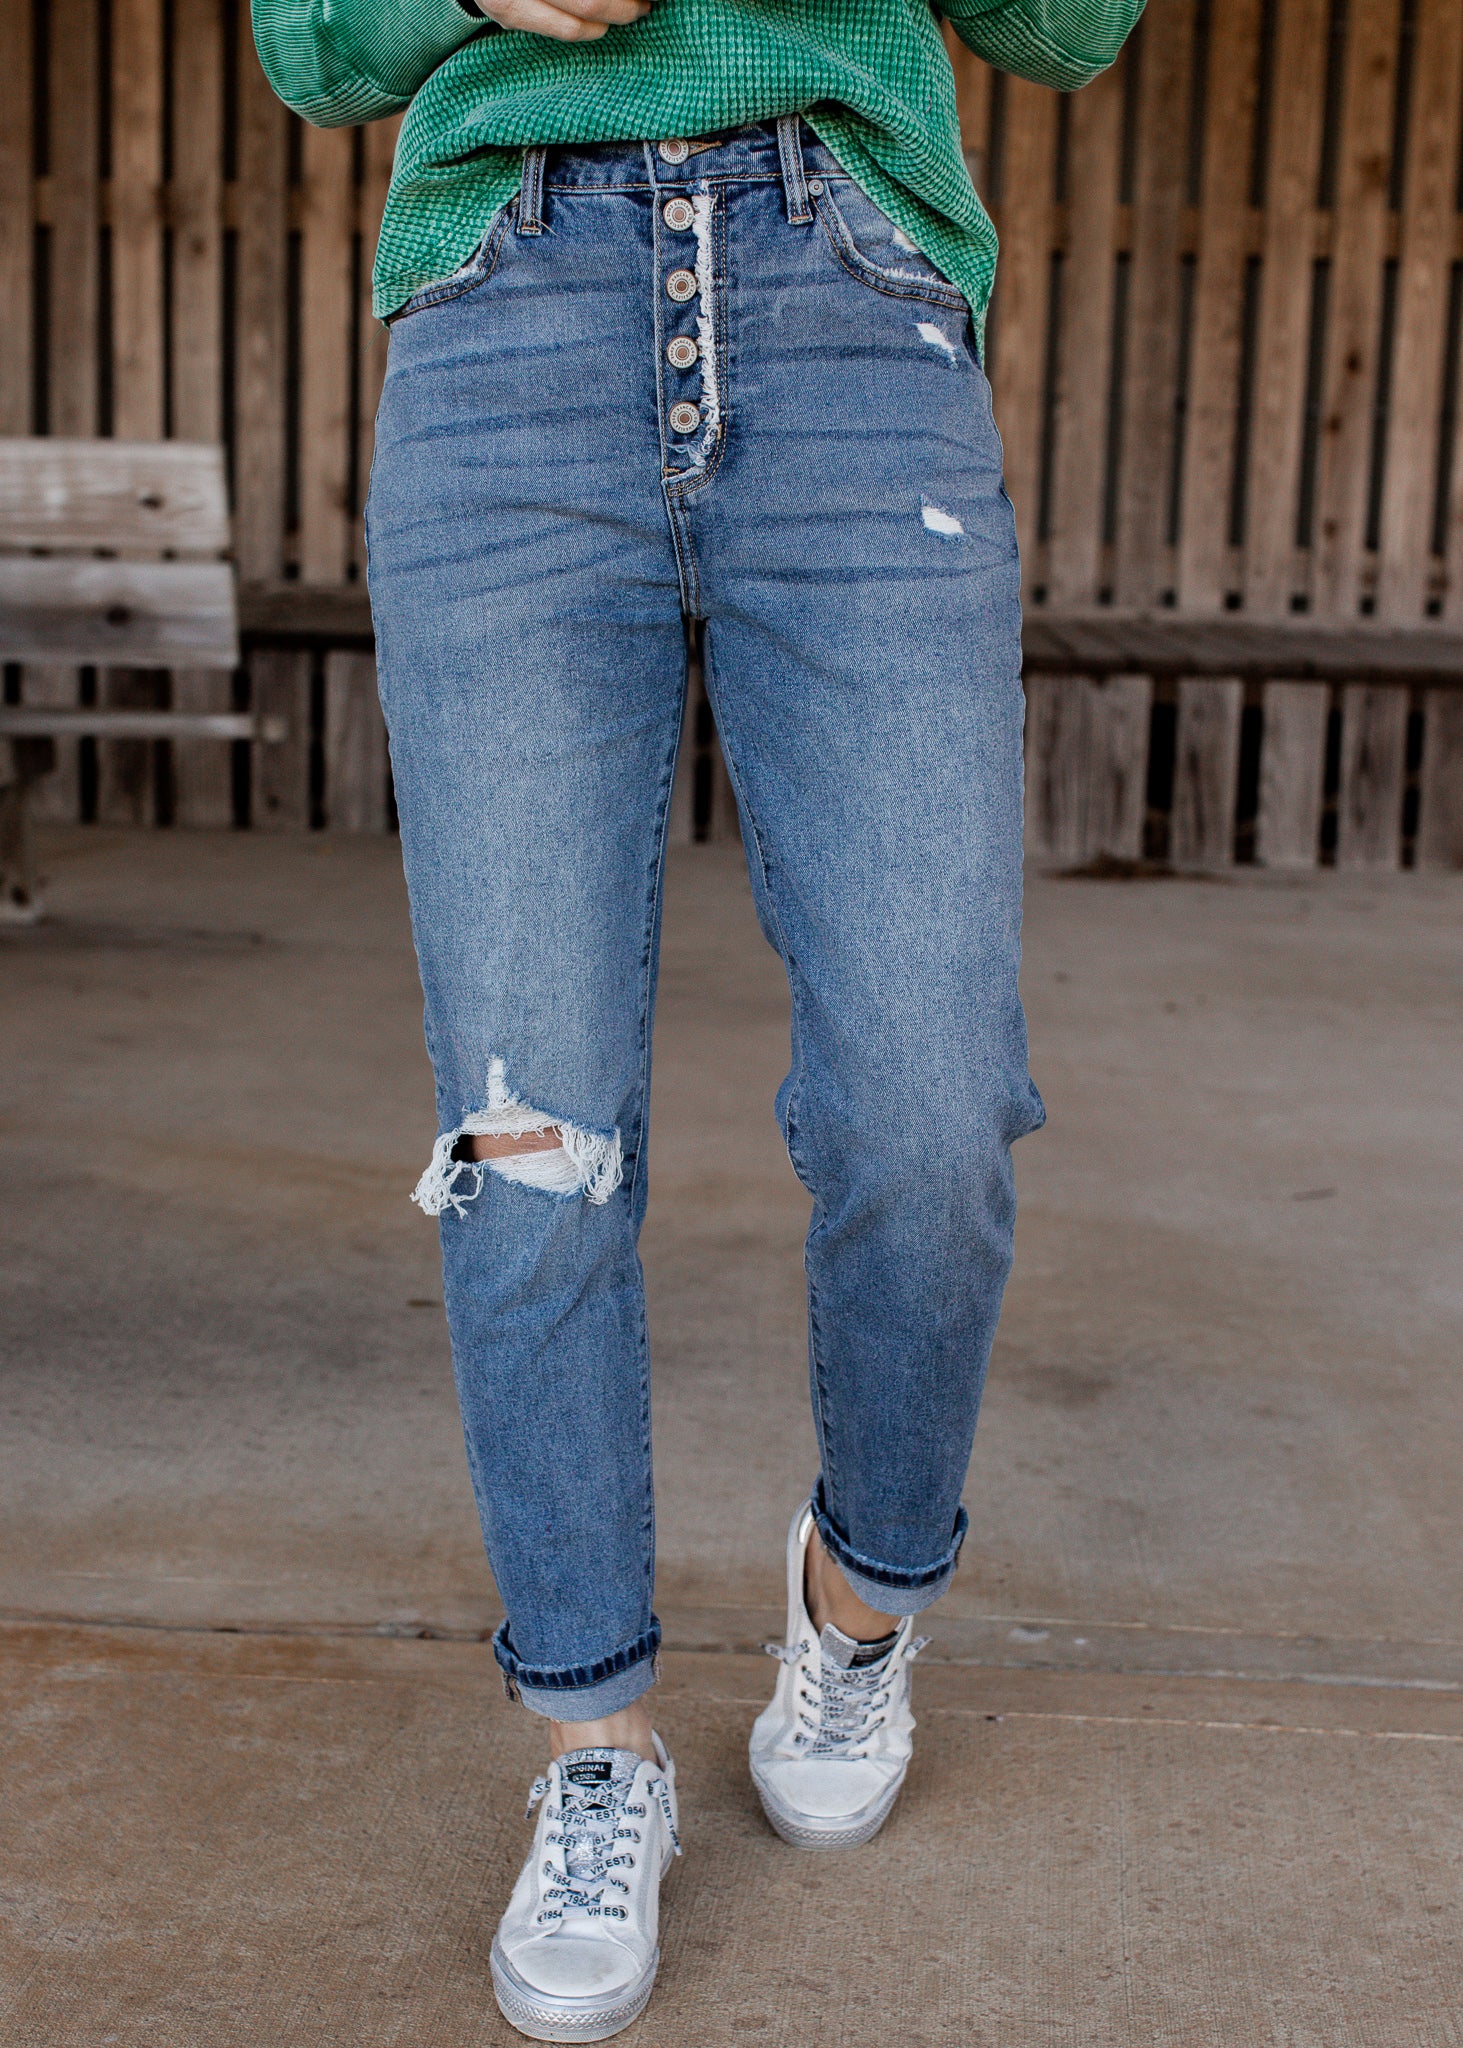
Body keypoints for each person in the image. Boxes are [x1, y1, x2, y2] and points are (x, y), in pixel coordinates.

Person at [255, 0, 1142, 2036]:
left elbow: (1075, 30)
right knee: (528, 1133)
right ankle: (596, 1743)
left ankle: (862, 1597)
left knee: (929, 1107)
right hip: (507, 329)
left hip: (853, 319)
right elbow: (310, 45)